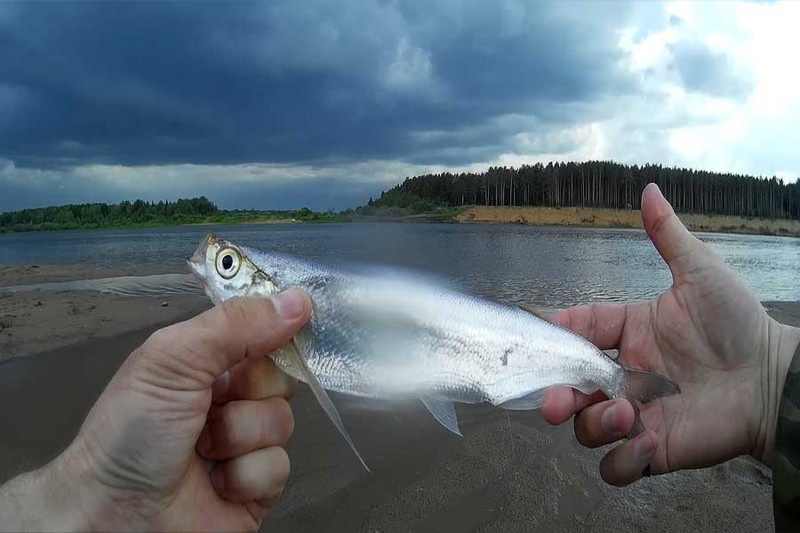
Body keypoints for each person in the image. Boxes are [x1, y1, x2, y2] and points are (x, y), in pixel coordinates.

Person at [0, 183, 798, 531]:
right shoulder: (291, 311)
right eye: (225, 267)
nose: (219, 271)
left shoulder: (300, 304)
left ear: (272, 286)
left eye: (231, 267)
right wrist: (765, 381)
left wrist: (768, 378)